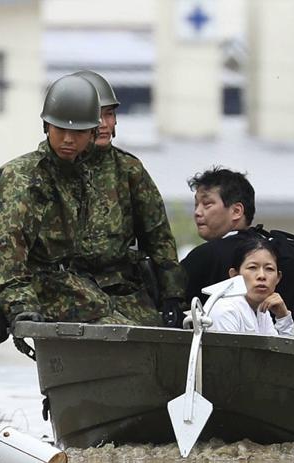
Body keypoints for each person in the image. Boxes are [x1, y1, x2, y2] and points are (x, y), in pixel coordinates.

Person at [0, 74, 133, 326]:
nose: (67, 139)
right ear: (46, 127)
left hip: (81, 291)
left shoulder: (83, 175)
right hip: (40, 297)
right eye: (60, 129)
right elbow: (7, 256)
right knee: (124, 336)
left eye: (77, 132)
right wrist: (21, 306)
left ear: (91, 133)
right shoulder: (22, 177)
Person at [73, 69, 187, 327]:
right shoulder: (56, 170)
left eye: (109, 114)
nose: (103, 124)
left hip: (122, 288)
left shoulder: (128, 170)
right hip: (70, 289)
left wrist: (172, 296)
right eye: (96, 115)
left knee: (149, 340)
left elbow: (158, 237)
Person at [181, 166, 294, 320]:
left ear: (237, 211)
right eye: (196, 205)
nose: (197, 212)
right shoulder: (287, 246)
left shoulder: (208, 255)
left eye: (207, 204)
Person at [207, 236, 294, 336]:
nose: (261, 276)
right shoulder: (225, 309)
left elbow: (281, 349)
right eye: (252, 267)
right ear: (235, 275)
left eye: (269, 269)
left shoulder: (262, 311)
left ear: (278, 278)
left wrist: (282, 316)